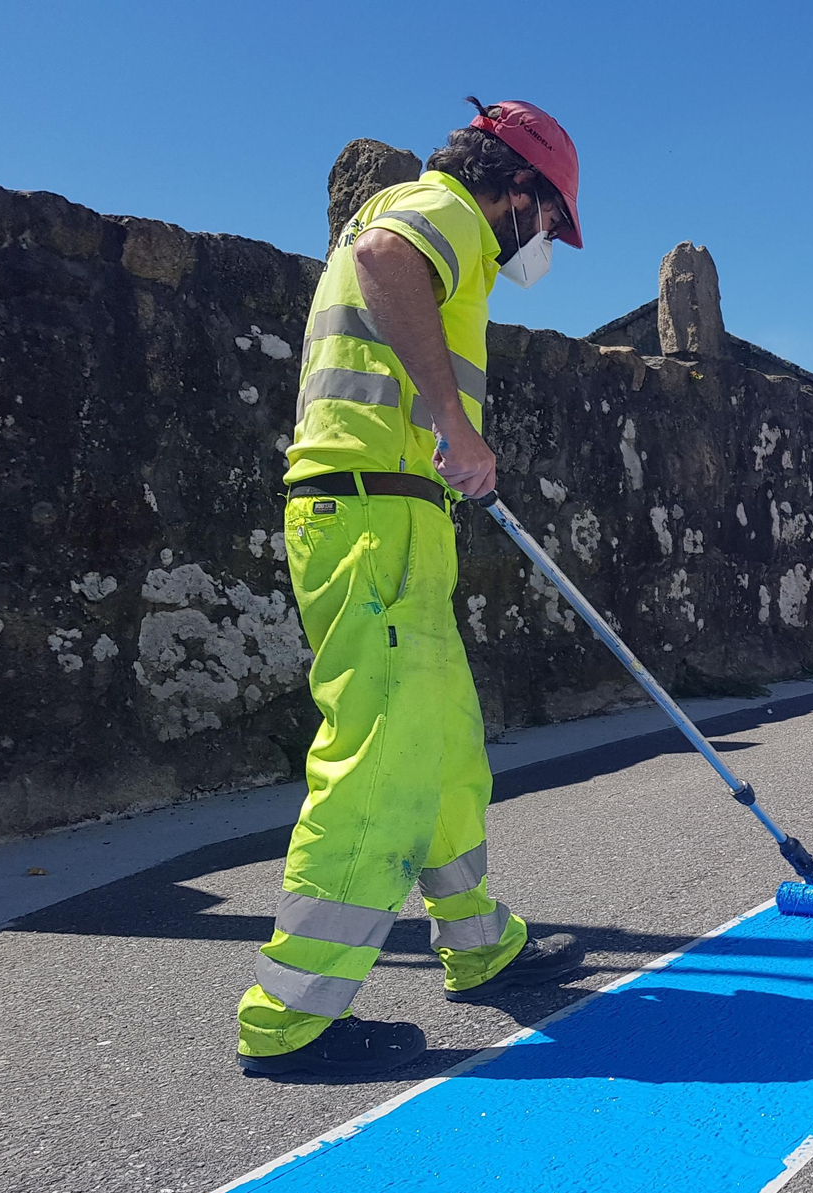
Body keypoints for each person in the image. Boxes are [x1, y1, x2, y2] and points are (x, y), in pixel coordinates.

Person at [236, 100, 588, 1080]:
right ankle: (290, 1014)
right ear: (517, 189)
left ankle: (478, 941)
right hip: (367, 511)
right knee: (384, 756)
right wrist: (455, 424)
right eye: (551, 219)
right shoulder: (439, 210)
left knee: (442, 748)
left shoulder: (455, 229)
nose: (547, 241)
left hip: (396, 511)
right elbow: (386, 262)